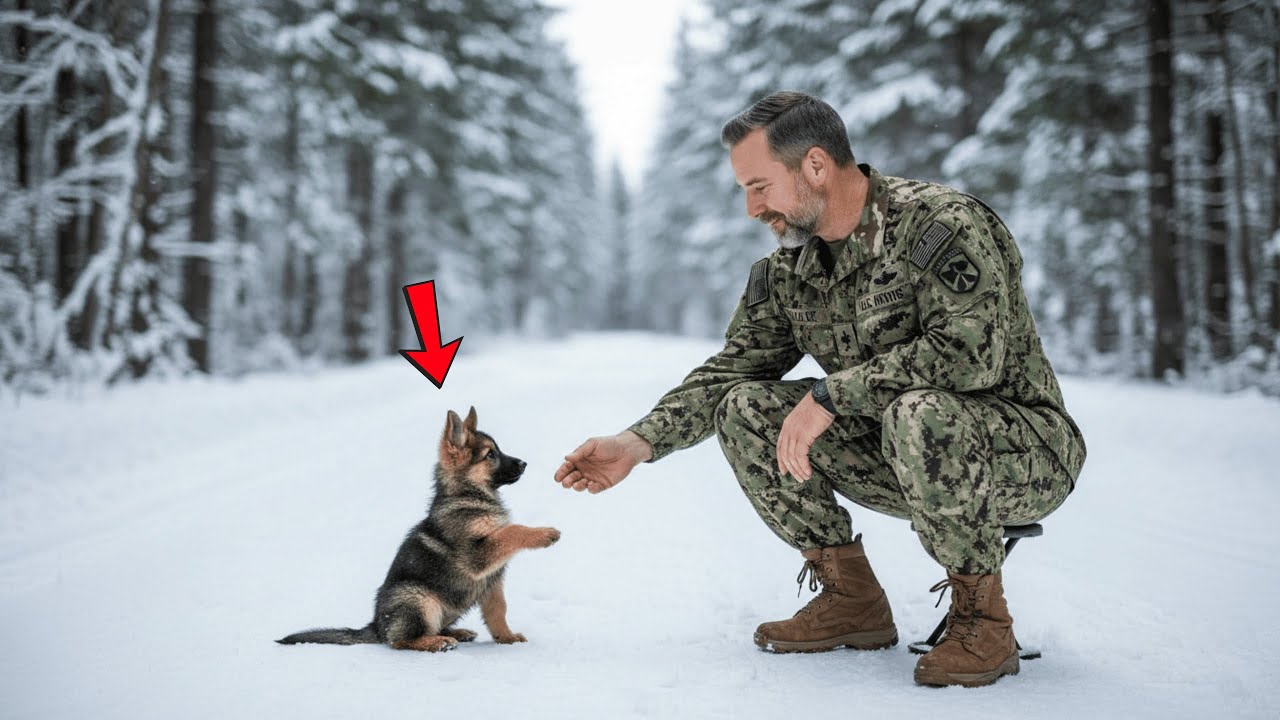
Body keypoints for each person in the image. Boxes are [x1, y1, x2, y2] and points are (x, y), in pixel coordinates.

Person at [554, 91, 1086, 687]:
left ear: (814, 165)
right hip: (902, 452)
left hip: (1018, 451)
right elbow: (733, 370)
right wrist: (635, 443)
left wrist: (832, 396)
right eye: (745, 191)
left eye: (760, 186)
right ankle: (851, 600)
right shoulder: (788, 268)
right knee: (745, 406)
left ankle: (983, 619)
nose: (752, 208)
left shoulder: (940, 224)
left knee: (920, 410)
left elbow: (970, 357)